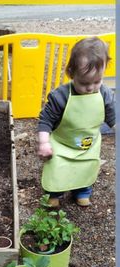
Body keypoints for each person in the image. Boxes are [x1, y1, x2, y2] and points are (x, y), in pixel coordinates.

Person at [37, 36, 115, 208]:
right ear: (71, 74)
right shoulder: (61, 96)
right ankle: (54, 193)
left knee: (86, 167)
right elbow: (45, 120)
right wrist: (44, 142)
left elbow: (113, 116)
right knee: (57, 167)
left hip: (88, 144)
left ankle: (82, 191)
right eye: (84, 83)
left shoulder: (105, 94)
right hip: (62, 144)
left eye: (97, 81)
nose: (91, 88)